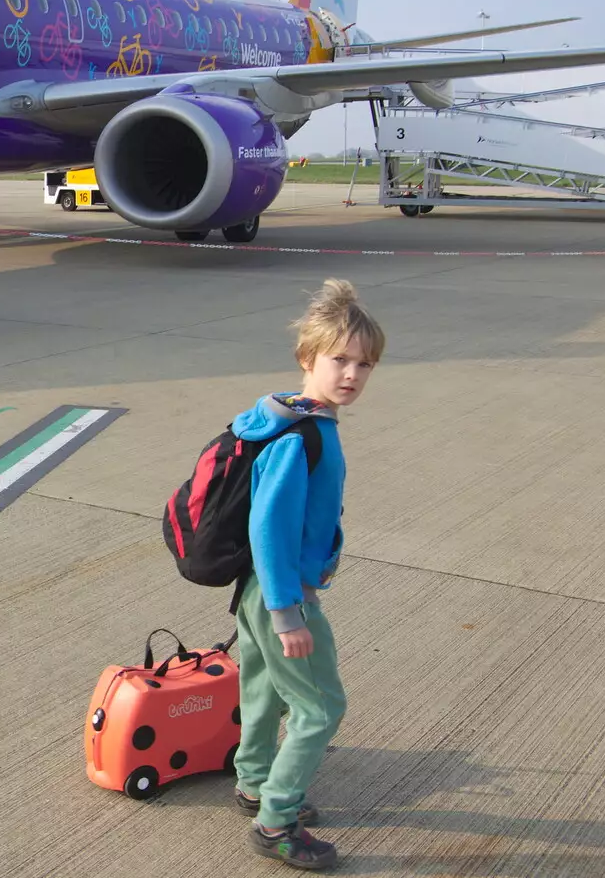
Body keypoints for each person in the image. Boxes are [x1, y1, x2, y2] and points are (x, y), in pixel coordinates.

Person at [228, 278, 384, 871]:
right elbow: (269, 528)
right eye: (339, 359)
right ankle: (275, 822)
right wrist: (289, 611)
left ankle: (254, 782)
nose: (351, 374)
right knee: (320, 708)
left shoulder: (290, 420)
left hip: (256, 593)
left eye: (364, 364)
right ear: (307, 359)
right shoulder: (302, 437)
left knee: (264, 690)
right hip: (279, 595)